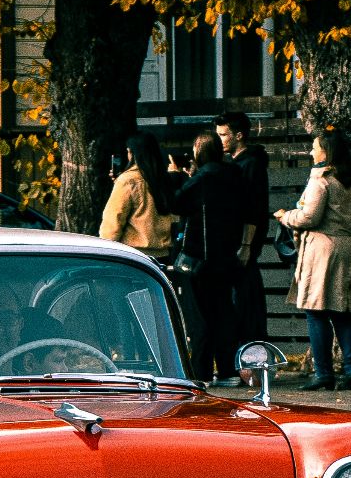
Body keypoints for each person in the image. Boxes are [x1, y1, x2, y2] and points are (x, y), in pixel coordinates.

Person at [275, 128, 351, 391]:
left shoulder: (321, 179)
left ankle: (323, 372)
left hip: (324, 249)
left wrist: (286, 216)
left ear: (326, 152)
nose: (310, 151)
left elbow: (309, 217)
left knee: (316, 311)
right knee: (342, 312)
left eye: (314, 146)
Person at [172, 133, 245, 385]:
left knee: (199, 317)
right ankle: (227, 369)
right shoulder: (234, 175)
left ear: (198, 152)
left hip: (200, 257)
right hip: (226, 256)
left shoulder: (203, 178)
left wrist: (178, 176)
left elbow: (177, 202)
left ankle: (201, 371)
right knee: (223, 313)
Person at [213, 111, 271, 343]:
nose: (219, 140)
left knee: (245, 300)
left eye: (223, 134)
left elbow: (253, 209)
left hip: (242, 243)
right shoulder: (238, 164)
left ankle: (251, 350)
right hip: (238, 243)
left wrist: (246, 244)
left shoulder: (250, 165)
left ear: (239, 135)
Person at [98, 133, 176, 260]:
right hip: (163, 254)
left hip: (133, 255)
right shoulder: (163, 179)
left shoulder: (127, 180)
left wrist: (105, 251)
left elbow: (113, 222)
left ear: (132, 153)